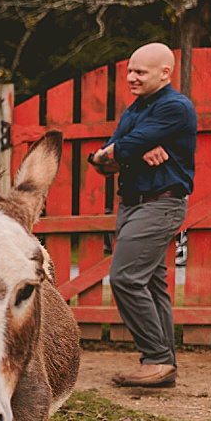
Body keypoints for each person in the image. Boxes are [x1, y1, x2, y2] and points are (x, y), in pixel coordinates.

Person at [88, 42, 197, 389]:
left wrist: (123, 151)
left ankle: (156, 359)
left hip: (160, 203)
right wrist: (117, 152)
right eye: (130, 71)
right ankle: (164, 364)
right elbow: (102, 163)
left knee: (124, 278)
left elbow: (121, 150)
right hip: (132, 203)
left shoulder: (175, 108)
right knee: (152, 283)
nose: (131, 77)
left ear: (165, 72)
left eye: (140, 72)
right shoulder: (134, 110)